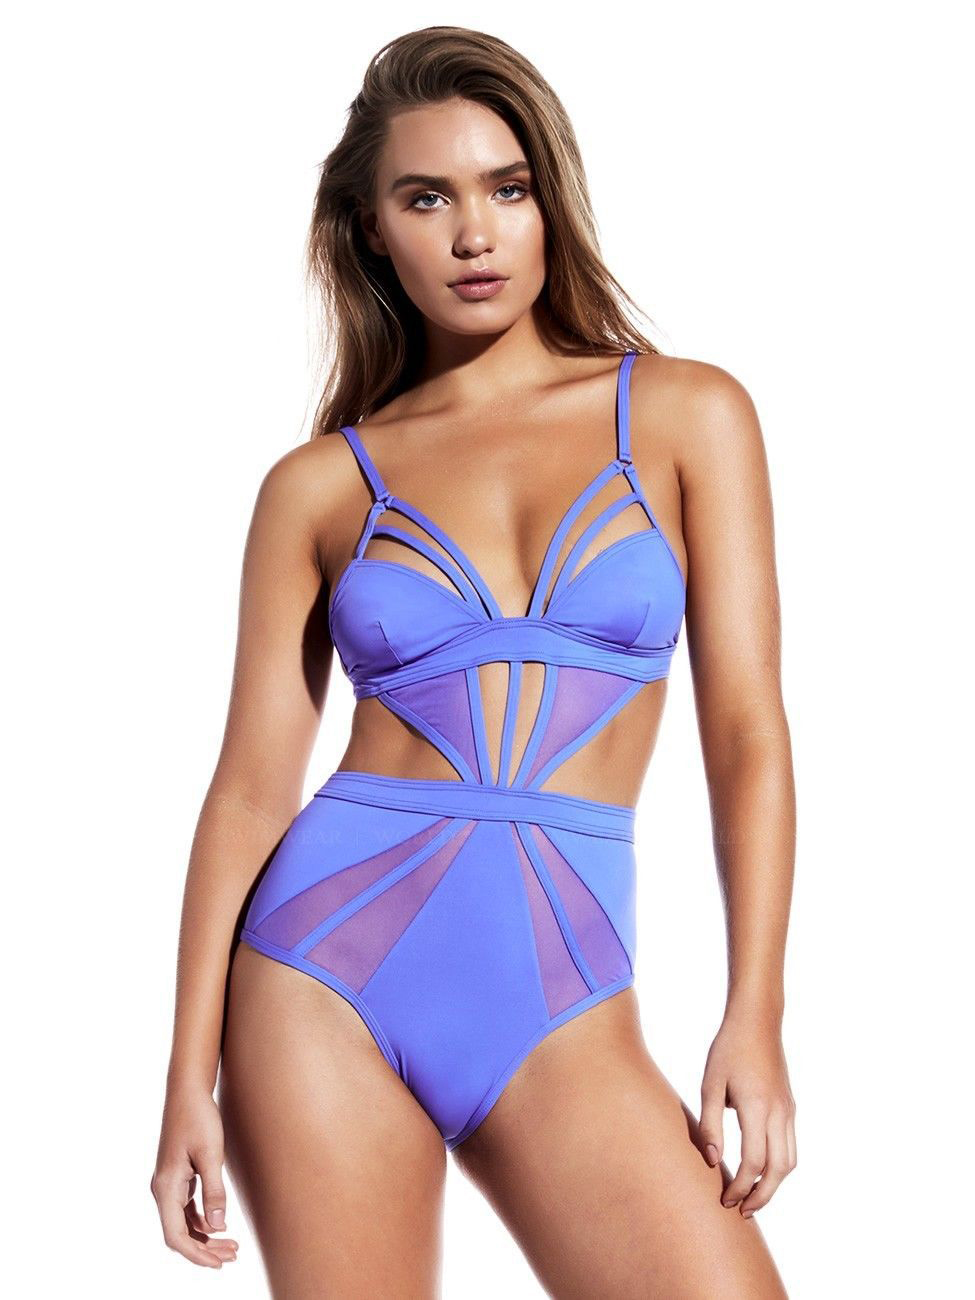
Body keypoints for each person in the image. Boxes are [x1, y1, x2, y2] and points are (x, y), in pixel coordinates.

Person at [151, 26, 796, 1297]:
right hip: (316, 973)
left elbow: (748, 734)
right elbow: (248, 789)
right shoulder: (321, 485)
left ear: (551, 201)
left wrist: (756, 1012)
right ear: (370, 229)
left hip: (562, 995)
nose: (474, 234)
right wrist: (186, 1078)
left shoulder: (685, 414)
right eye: (426, 198)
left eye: (507, 188)